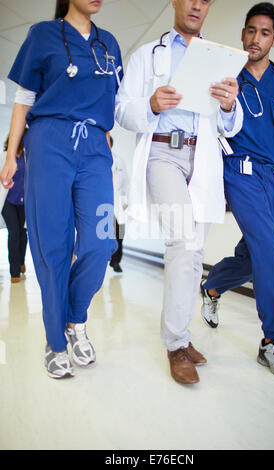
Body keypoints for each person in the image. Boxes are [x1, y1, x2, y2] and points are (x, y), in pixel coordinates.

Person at [116, 0, 243, 385]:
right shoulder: (146, 55)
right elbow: (121, 110)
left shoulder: (218, 58)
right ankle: (175, 344)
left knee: (196, 252)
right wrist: (151, 105)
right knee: (183, 244)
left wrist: (228, 104)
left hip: (201, 154)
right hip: (162, 152)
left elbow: (230, 126)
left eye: (205, 0)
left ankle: (183, 338)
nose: (197, 5)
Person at [0, 0, 123, 379]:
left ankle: (75, 319)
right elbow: (23, 100)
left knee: (102, 242)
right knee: (53, 245)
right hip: (49, 140)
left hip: (95, 147)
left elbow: (116, 103)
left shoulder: (110, 44)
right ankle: (56, 342)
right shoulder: (43, 34)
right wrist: (10, 157)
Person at [201, 2, 274, 377]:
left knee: (252, 256)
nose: (255, 39)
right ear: (242, 34)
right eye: (250, 30)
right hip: (238, 171)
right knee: (266, 247)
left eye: (263, 33)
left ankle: (212, 286)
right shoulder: (225, 78)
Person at [1, 131, 28, 283]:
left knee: (23, 233)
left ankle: (21, 261)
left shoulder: (27, 157)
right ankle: (14, 271)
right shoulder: (4, 156)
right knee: (14, 232)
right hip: (8, 202)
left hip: (24, 202)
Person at [109, 136, 129, 273]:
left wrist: (126, 200)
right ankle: (102, 260)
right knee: (101, 234)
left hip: (117, 203)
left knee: (119, 233)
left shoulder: (119, 161)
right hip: (100, 202)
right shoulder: (95, 160)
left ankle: (115, 261)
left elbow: (126, 183)